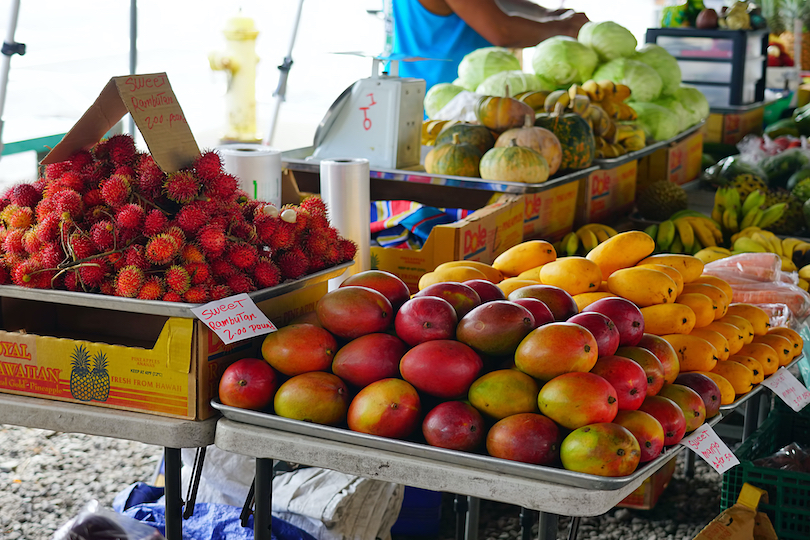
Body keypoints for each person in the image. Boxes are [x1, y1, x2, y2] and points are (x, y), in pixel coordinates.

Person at [390, 0, 589, 91]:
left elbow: (489, 4)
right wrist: (566, 29)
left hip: (417, 89)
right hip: (447, 104)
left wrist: (547, 16)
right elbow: (502, 31)